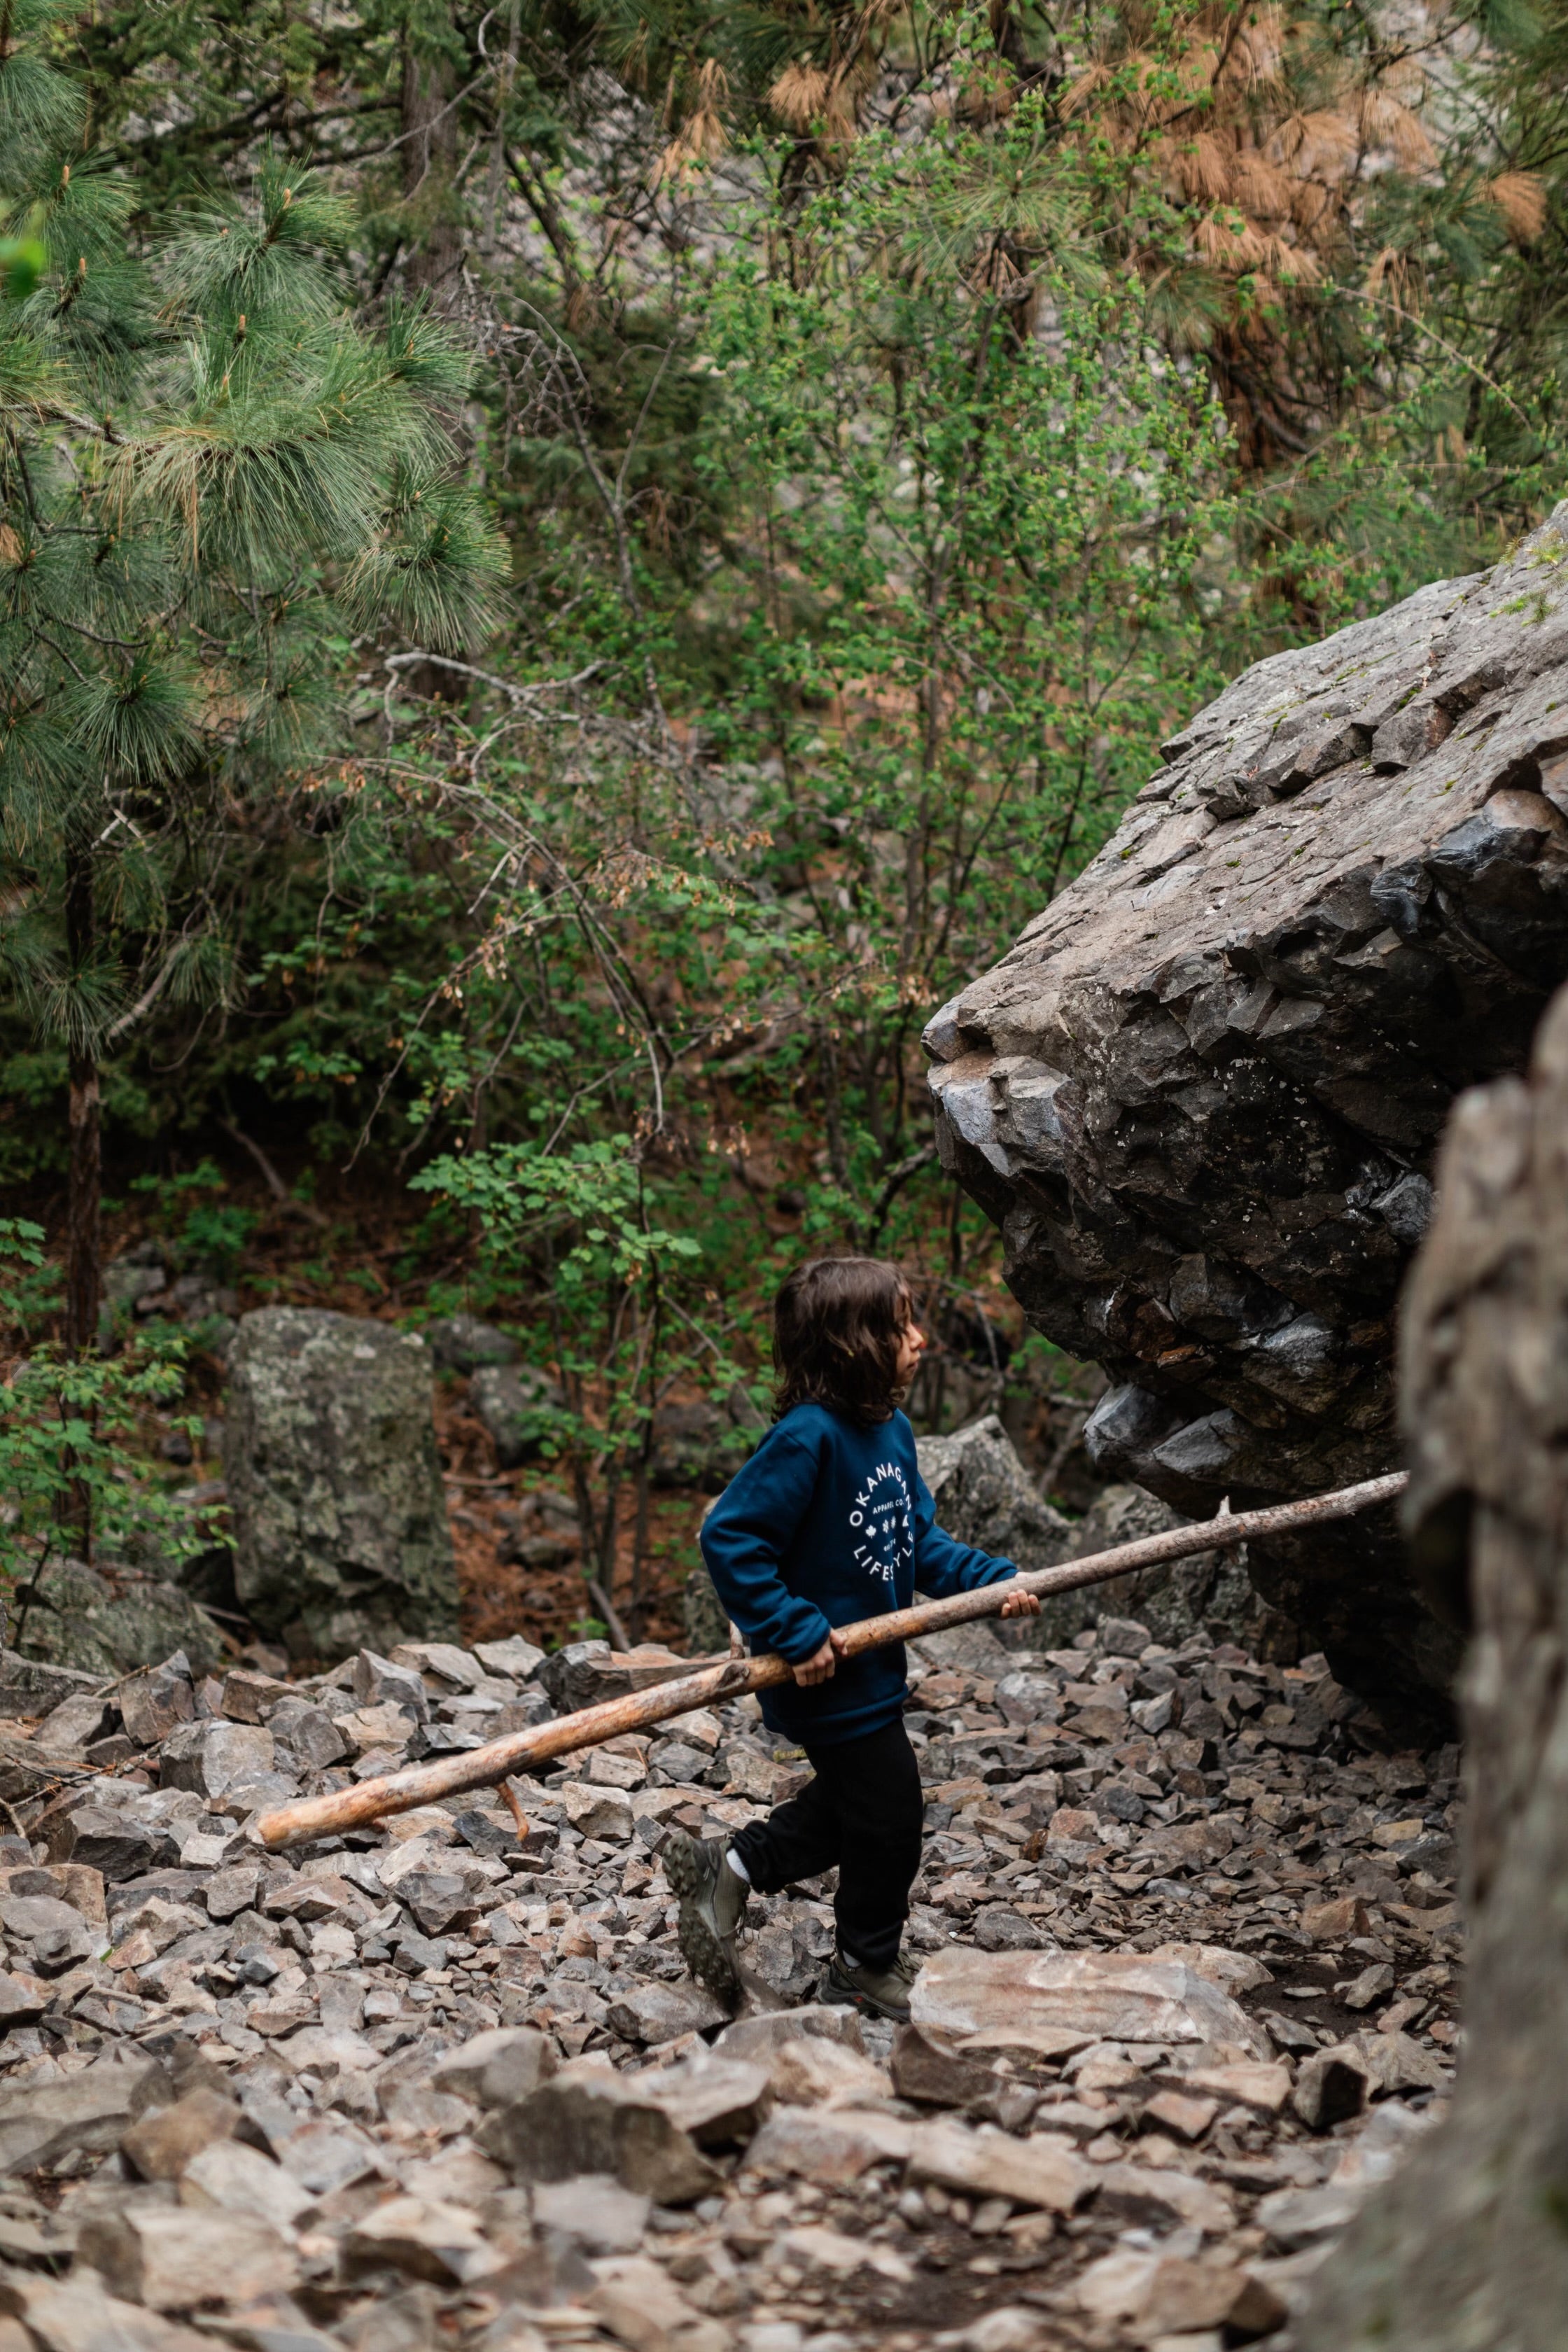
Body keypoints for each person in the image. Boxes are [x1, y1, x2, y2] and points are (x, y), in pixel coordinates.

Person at [664, 1256, 1040, 2022]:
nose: (920, 1338)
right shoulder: (807, 1441)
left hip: (871, 1672)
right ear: (853, 1344)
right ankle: (863, 1964)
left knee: (853, 1807)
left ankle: (726, 1867)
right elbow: (729, 1538)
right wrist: (794, 1629)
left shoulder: (890, 1431)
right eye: (901, 1324)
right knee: (889, 1812)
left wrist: (988, 1582)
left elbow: (916, 1545)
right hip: (820, 1677)